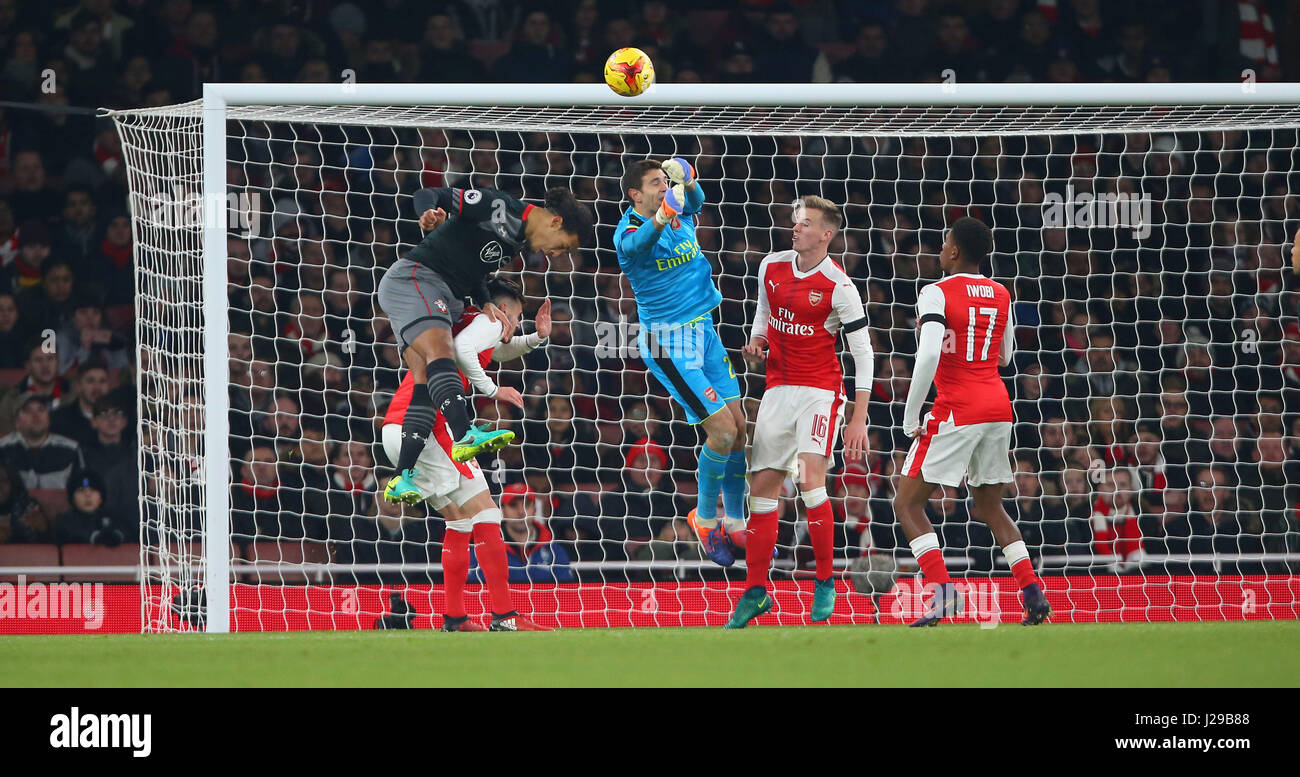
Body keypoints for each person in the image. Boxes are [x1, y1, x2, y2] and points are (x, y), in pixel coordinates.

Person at [377, 183, 591, 505]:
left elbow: (474, 265)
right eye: (563, 246)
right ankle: (465, 434)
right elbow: (432, 193)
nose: (557, 254)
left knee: (424, 383)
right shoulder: (501, 207)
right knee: (443, 352)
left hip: (445, 294)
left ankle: (401, 476)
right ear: (556, 223)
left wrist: (486, 299)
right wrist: (427, 213)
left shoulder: (518, 242)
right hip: (419, 279)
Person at [726, 195, 874, 628]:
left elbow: (863, 354)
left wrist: (859, 416)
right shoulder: (771, 266)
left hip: (820, 393)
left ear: (826, 235)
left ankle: (825, 582)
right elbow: (764, 313)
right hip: (777, 390)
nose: (796, 228)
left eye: (806, 224)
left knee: (811, 482)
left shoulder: (839, 285)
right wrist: (757, 342)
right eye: (796, 222)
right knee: (762, 492)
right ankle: (755, 592)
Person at [894, 217, 1050, 627]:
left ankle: (943, 592)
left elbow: (928, 356)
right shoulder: (1001, 293)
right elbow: (1005, 357)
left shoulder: (935, 292)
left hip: (957, 406)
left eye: (945, 241)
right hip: (998, 406)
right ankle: (1033, 593)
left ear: (955, 251)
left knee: (907, 503)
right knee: (990, 506)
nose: (941, 248)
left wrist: (912, 417)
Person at [378, 277, 554, 632]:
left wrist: (535, 338)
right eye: (518, 317)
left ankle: (456, 618)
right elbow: (463, 348)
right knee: (487, 511)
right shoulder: (489, 321)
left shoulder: (474, 320)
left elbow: (495, 350)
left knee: (459, 521)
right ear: (504, 310)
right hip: (430, 429)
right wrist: (492, 389)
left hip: (399, 424)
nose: (515, 324)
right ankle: (505, 615)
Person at [615, 157, 748, 567]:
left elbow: (697, 199)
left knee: (741, 431)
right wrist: (663, 214)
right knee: (722, 432)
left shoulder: (678, 210)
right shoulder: (630, 231)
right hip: (669, 343)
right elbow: (639, 246)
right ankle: (705, 519)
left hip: (704, 330)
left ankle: (738, 523)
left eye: (664, 181)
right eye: (655, 183)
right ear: (636, 194)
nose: (662, 187)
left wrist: (688, 179)